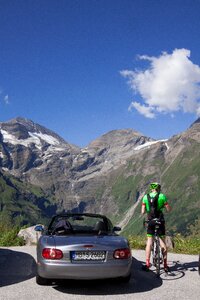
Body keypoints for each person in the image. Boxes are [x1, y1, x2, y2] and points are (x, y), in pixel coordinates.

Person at [141, 182, 172, 272]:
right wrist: (165, 206)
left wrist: (147, 209)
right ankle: (165, 265)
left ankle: (147, 264)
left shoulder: (145, 197)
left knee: (149, 241)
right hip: (160, 221)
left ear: (151, 188)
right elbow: (168, 209)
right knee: (163, 242)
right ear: (158, 188)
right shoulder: (162, 196)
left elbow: (142, 212)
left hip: (150, 221)